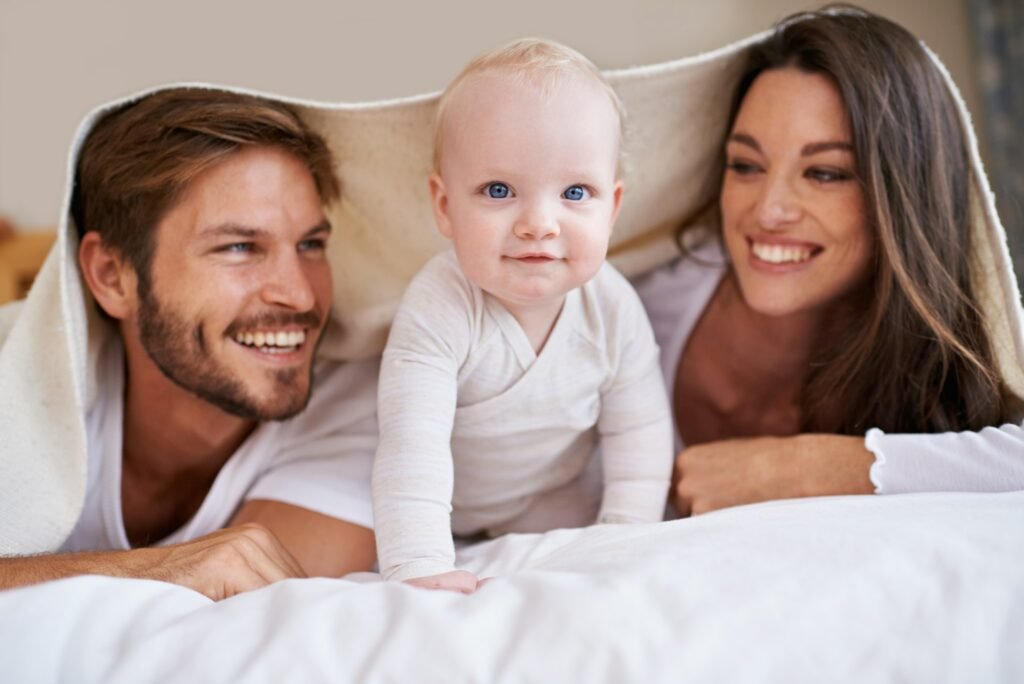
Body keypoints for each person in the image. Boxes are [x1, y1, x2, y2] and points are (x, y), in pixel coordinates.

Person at [631, 6, 1024, 517]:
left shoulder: (939, 362)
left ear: (903, 199)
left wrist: (808, 468)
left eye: (825, 173)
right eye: (746, 165)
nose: (768, 211)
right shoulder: (632, 313)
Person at [0, 89, 379, 600]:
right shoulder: (14, 377)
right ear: (113, 276)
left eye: (311, 244)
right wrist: (155, 570)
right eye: (240, 247)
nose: (300, 293)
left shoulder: (360, 401)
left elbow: (255, 610)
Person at [372, 39, 673, 593]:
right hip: (438, 499)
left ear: (613, 207)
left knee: (572, 579)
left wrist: (625, 535)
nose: (539, 223)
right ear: (445, 206)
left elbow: (640, 431)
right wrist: (418, 562)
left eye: (575, 192)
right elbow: (413, 439)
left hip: (550, 494)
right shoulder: (441, 304)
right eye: (499, 189)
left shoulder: (612, 306)